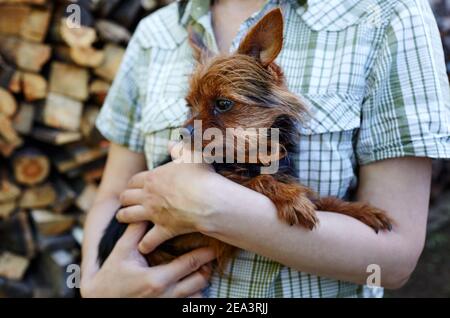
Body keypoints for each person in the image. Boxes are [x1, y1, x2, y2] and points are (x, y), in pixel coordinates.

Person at [80, 0, 450, 297]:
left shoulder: (387, 14)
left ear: (272, 73)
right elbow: (112, 192)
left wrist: (214, 206)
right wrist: (94, 287)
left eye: (223, 105)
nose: (192, 127)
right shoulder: (154, 33)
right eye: (193, 108)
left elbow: (395, 262)